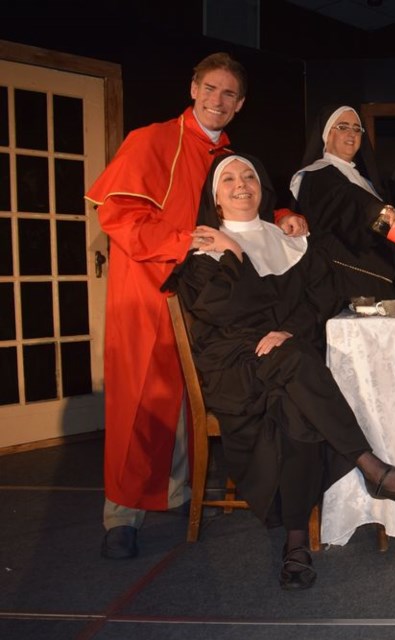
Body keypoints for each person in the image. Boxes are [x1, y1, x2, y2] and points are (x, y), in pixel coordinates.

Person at [164, 153, 395, 590]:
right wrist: (235, 253)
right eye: (229, 179)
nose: (241, 184)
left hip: (284, 360)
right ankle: (370, 467)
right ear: (215, 198)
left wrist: (288, 331)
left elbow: (322, 298)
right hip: (235, 365)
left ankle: (295, 544)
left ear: (262, 186)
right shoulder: (207, 247)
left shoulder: (289, 238)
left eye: (249, 175)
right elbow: (229, 310)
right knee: (297, 367)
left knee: (295, 399)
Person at [85, 53, 307, 560]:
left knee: (192, 398)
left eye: (229, 94)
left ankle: (180, 492)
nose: (218, 100)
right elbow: (117, 216)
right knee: (140, 401)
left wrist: (286, 213)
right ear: (193, 88)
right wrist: (184, 239)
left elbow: (243, 201)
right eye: (210, 88)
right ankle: (123, 516)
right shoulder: (151, 140)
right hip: (150, 288)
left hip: (207, 295)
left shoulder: (226, 154)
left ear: (240, 104)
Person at [290, 105, 395, 302]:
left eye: (357, 129)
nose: (351, 133)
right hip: (342, 284)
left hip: (378, 283)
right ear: (327, 134)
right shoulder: (318, 175)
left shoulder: (367, 182)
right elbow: (346, 200)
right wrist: (379, 210)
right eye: (343, 127)